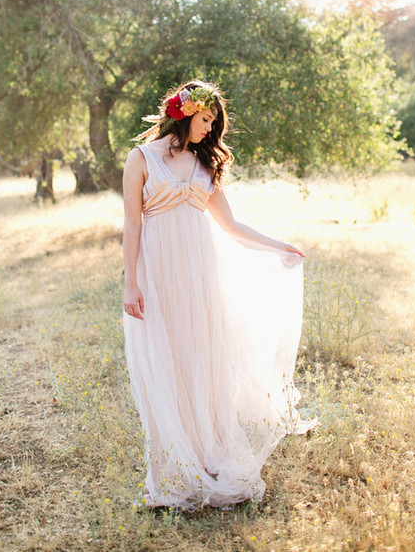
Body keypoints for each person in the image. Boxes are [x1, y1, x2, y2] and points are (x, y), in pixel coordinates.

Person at [123, 80, 315, 510]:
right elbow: (132, 223)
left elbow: (231, 226)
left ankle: (208, 455)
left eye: (213, 123)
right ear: (185, 112)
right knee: (166, 361)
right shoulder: (141, 158)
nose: (210, 129)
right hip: (158, 273)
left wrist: (278, 245)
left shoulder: (204, 164)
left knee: (202, 360)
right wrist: (131, 282)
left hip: (200, 275)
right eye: (206, 119)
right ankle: (171, 466)